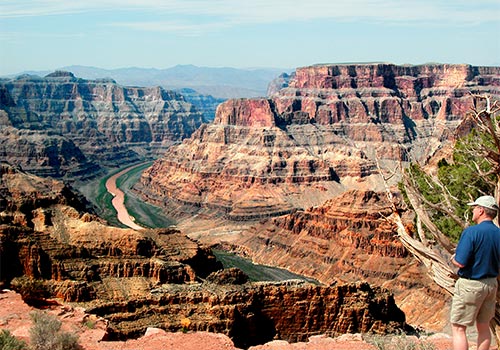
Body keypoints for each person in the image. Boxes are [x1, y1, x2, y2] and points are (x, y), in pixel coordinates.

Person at [450, 195, 500, 350]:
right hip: (491, 284)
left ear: (481, 210)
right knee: (484, 326)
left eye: (474, 208)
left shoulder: (472, 232)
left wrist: (453, 259)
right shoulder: (498, 233)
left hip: (471, 285)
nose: (472, 211)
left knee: (458, 327)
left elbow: (461, 261)